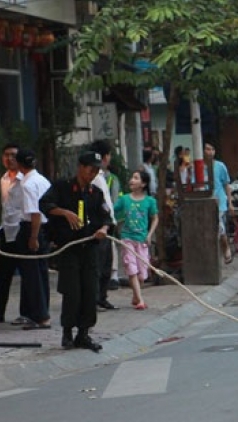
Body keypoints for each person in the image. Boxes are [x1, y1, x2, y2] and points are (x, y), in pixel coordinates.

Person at [39, 151, 113, 352]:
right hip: (69, 248)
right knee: (72, 292)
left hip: (89, 249)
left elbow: (106, 218)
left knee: (90, 291)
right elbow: (44, 204)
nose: (93, 173)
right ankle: (67, 333)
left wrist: (103, 230)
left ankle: (84, 333)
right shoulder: (62, 187)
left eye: (97, 170)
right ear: (81, 167)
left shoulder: (95, 193)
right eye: (91, 169)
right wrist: (65, 213)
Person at [15, 149, 52, 330]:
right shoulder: (43, 180)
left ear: (20, 164)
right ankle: (39, 312)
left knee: (32, 275)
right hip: (45, 228)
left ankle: (40, 315)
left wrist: (33, 237)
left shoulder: (27, 184)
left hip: (33, 227)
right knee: (41, 272)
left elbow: (34, 213)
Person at [114, 170, 158, 310]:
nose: (132, 180)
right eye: (132, 178)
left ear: (143, 183)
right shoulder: (124, 199)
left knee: (142, 275)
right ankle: (140, 300)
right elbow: (112, 210)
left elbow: (155, 218)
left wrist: (150, 234)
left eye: (136, 178)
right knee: (131, 268)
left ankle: (135, 295)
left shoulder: (150, 201)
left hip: (142, 240)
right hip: (127, 239)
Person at [0, 143, 26, 324]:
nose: (9, 159)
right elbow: (5, 208)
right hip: (6, 232)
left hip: (22, 231)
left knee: (27, 275)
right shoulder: (4, 179)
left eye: (13, 155)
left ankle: (26, 313)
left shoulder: (26, 179)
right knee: (3, 276)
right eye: (6, 155)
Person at [89, 140, 117, 311]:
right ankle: (95, 298)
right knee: (98, 265)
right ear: (105, 157)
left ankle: (102, 297)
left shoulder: (102, 177)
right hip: (100, 226)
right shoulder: (95, 179)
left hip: (109, 224)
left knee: (107, 264)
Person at [203, 142, 234, 265]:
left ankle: (226, 249)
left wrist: (230, 203)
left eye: (211, 149)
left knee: (220, 229)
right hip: (205, 202)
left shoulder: (220, 166)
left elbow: (227, 185)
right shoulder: (199, 167)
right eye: (207, 149)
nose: (209, 152)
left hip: (219, 202)